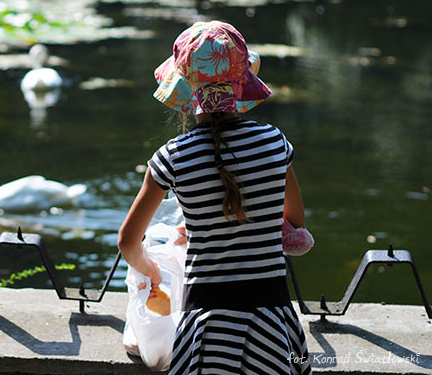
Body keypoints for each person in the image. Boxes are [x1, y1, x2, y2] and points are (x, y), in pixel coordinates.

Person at [118, 20, 312, 374]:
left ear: (184, 87)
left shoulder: (172, 158)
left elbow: (128, 242)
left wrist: (152, 269)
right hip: (273, 323)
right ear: (242, 82)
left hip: (207, 329)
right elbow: (294, 224)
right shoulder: (274, 143)